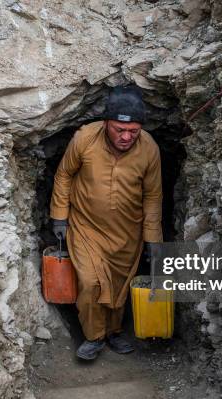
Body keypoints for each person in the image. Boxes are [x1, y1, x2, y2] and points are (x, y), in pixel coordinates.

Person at [49, 86, 163, 360]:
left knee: (119, 285)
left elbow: (153, 195)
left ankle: (113, 331)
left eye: (133, 132)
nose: (126, 137)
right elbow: (64, 175)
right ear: (106, 123)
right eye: (118, 130)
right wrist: (59, 216)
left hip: (128, 232)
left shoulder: (149, 149)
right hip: (86, 227)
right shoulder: (85, 139)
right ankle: (94, 336)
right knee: (90, 283)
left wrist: (153, 240)